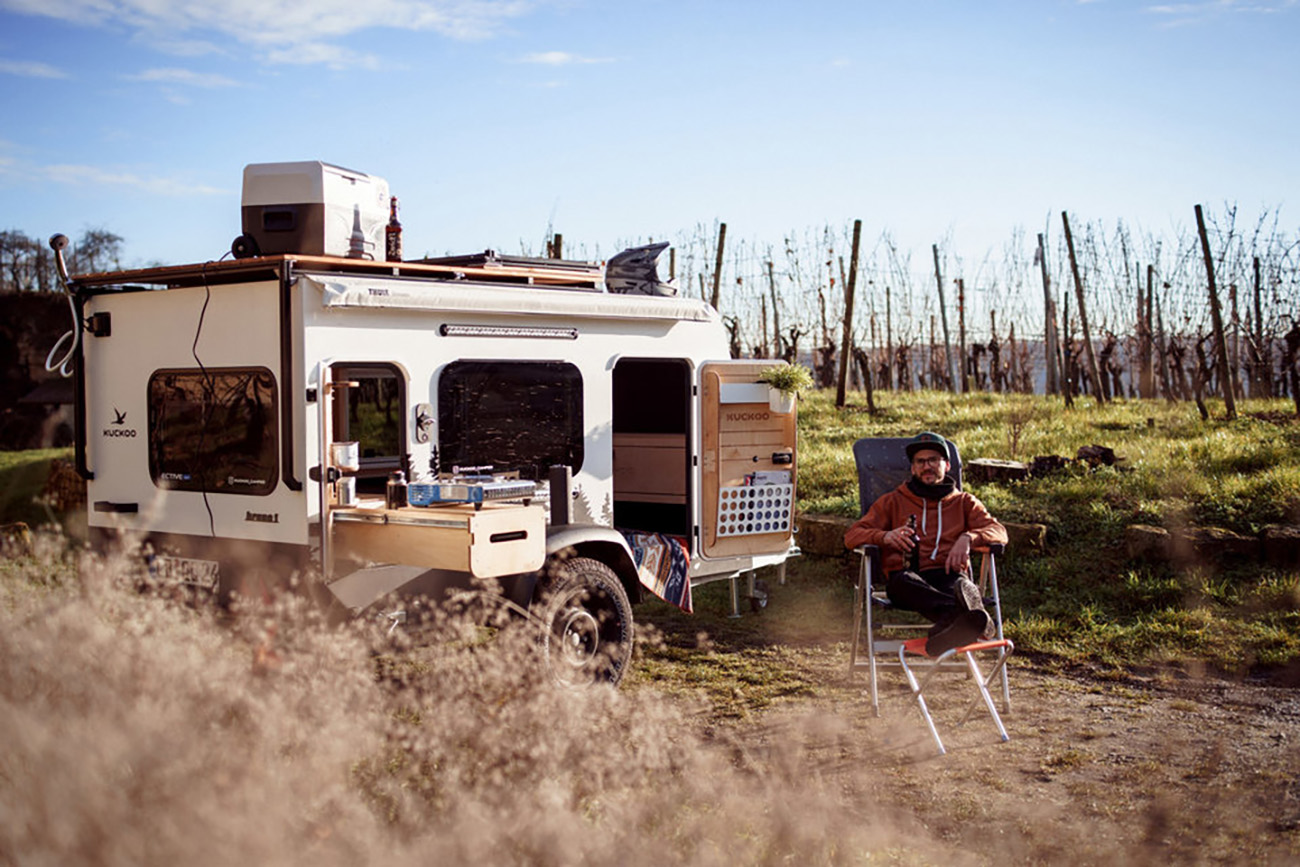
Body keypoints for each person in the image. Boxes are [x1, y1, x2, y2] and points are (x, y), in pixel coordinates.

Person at [844, 431, 1008, 655]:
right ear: (912, 468)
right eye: (920, 461)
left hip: (950, 576)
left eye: (933, 460)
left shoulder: (964, 502)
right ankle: (967, 619)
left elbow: (999, 532)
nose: (926, 466)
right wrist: (884, 537)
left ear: (947, 465)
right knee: (903, 582)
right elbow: (852, 535)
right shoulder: (893, 501)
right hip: (909, 578)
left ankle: (949, 629)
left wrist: (969, 538)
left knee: (962, 586)